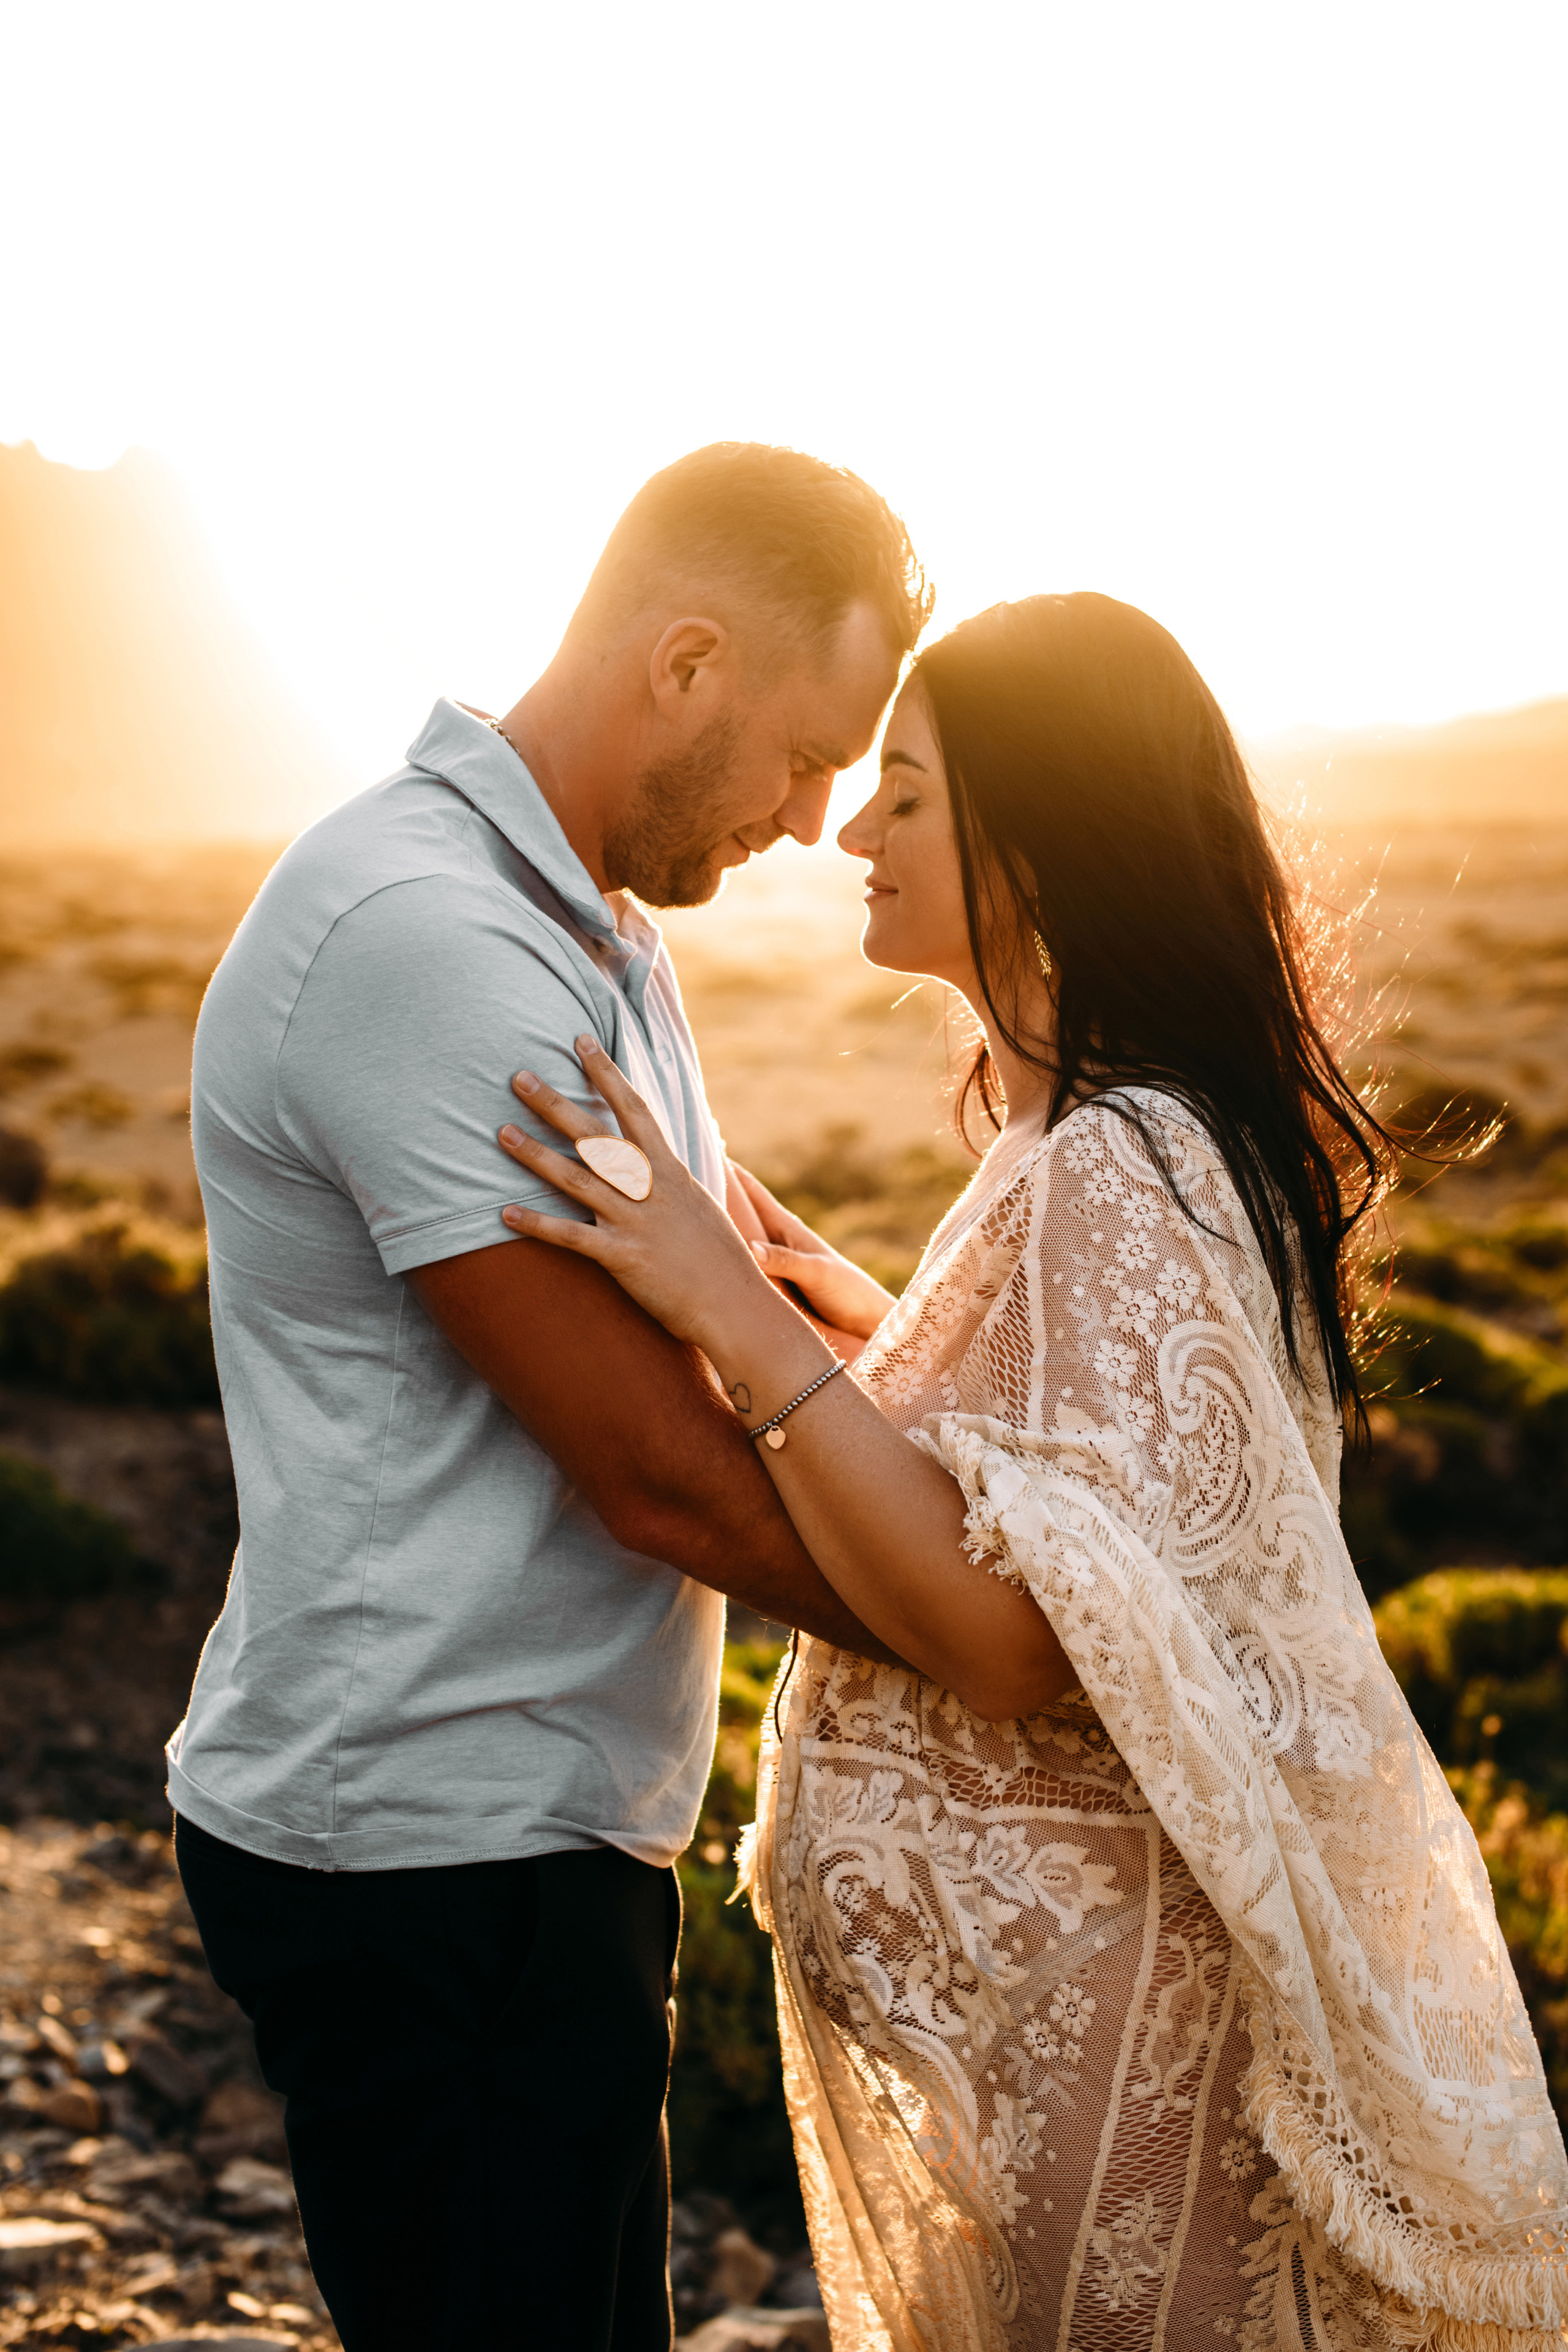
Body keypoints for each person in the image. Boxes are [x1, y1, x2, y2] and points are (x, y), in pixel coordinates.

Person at [497, 592, 1568, 2351]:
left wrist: (732, 1317)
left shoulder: (1120, 1160)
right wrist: (847, 1310)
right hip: (1074, 2039)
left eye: (905, 792)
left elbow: (1015, 1636)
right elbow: (1065, 1463)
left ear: (1040, 845)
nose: (849, 829)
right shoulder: (1090, 1137)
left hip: (1120, 2043)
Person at [168, 442, 932, 2352]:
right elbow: (660, 1471)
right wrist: (1002, 1639)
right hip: (428, 1846)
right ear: (685, 666)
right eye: (803, 752)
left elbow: (746, 1278)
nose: (817, 815)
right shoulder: (425, 941)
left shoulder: (595, 929)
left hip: (540, 1821)